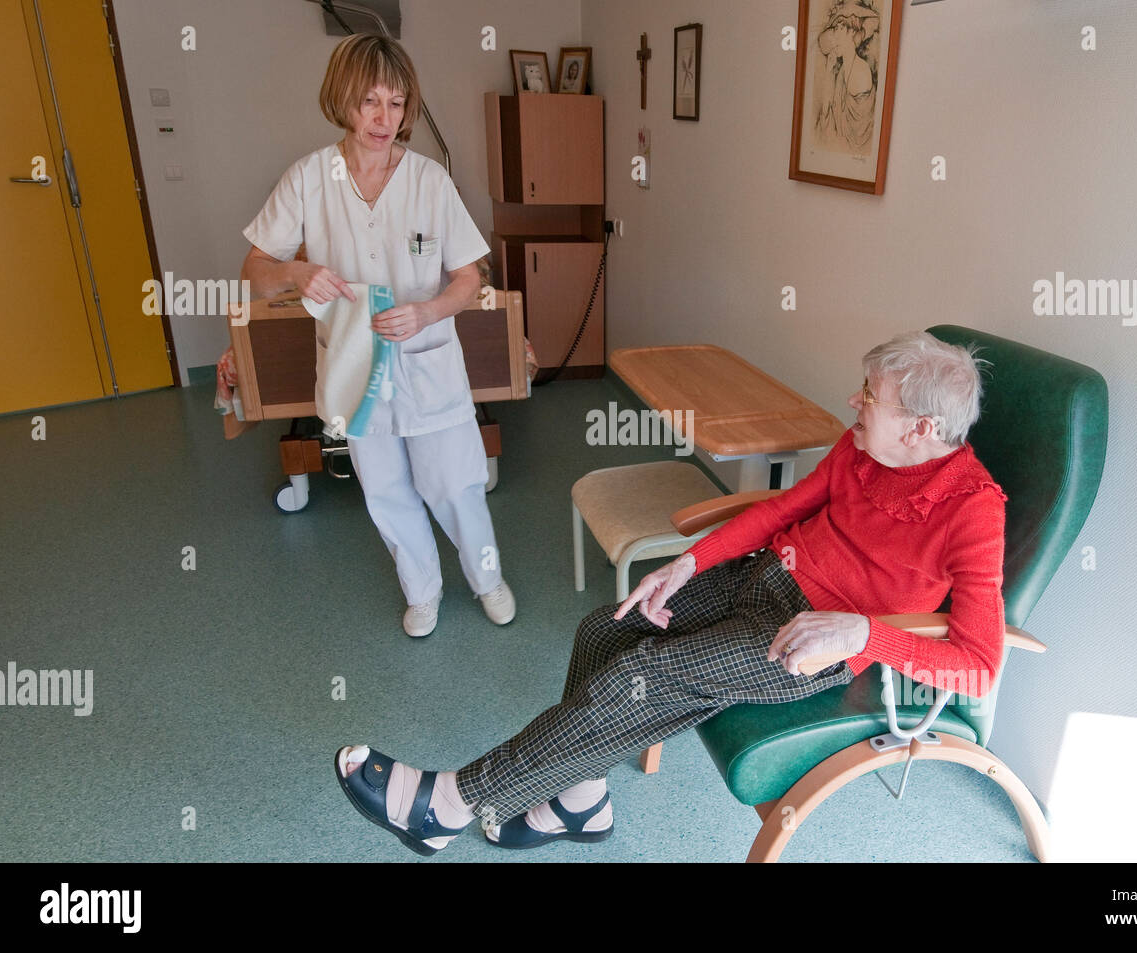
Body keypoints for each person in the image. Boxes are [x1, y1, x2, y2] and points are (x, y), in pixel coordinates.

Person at [334, 331, 1008, 855]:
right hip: (761, 576)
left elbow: (979, 663)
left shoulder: (974, 510)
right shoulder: (863, 446)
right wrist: (686, 564)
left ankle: (450, 801)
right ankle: (583, 799)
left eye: (871, 394)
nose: (855, 401)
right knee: (604, 629)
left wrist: (861, 633)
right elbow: (779, 511)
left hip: (805, 639)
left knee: (642, 673)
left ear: (922, 428)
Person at [240, 34, 514, 637]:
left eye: (396, 103)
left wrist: (430, 310)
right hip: (353, 368)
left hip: (427, 358)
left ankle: (488, 579)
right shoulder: (309, 178)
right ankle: (423, 592)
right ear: (343, 100)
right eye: (369, 101)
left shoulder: (429, 180)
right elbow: (256, 274)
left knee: (456, 485)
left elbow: (472, 277)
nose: (383, 118)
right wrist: (295, 270)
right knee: (386, 491)